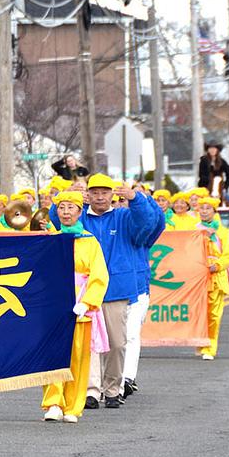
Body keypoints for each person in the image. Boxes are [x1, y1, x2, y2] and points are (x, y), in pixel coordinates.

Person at [79, 174, 154, 409]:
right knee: (89, 343)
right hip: (86, 290)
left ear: (113, 195)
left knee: (118, 343)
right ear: (88, 195)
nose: (100, 197)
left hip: (116, 289)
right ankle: (91, 390)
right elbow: (58, 218)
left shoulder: (123, 217)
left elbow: (147, 224)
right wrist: (70, 197)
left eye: (105, 192)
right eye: (95, 192)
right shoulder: (81, 217)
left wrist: (135, 199)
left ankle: (112, 388)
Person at [41, 191, 108, 424]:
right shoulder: (52, 240)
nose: (66, 212)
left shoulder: (89, 241)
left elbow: (99, 276)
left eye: (71, 208)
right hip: (54, 308)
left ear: (80, 212)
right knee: (52, 357)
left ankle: (73, 406)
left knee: (78, 358)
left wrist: (87, 302)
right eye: (62, 208)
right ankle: (53, 403)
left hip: (79, 307)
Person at [123, 185, 166, 395]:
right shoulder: (110, 221)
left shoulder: (143, 231)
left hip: (138, 288)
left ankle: (127, 377)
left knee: (130, 335)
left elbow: (154, 221)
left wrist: (141, 200)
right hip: (105, 289)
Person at [195, 197, 229, 360]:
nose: (204, 211)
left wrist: (217, 266)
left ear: (214, 211)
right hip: (197, 277)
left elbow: (228, 255)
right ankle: (201, 343)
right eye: (202, 208)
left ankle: (209, 347)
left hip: (216, 276)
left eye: (208, 208)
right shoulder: (194, 230)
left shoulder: (223, 232)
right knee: (200, 314)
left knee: (214, 315)